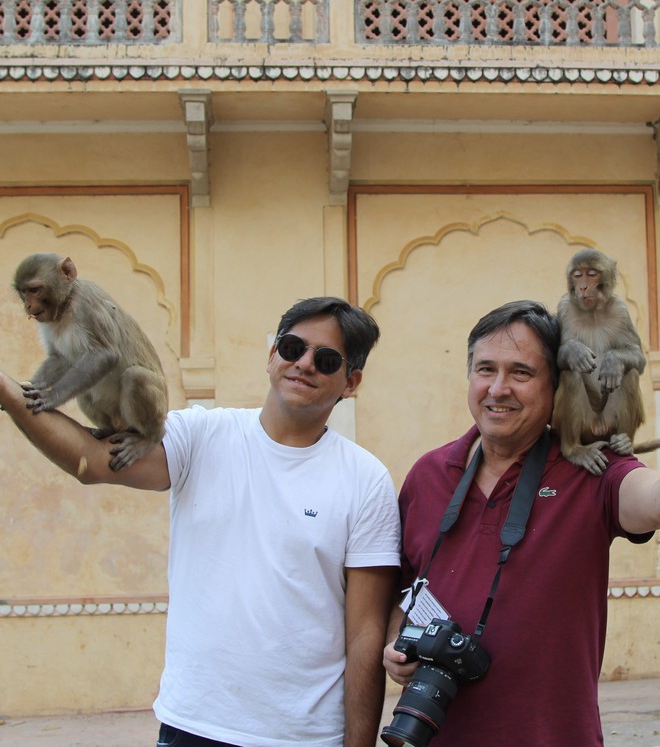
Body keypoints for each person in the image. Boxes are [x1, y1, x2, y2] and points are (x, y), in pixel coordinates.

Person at [0, 296, 401, 747]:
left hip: (305, 737)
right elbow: (91, 463)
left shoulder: (366, 480)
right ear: (272, 356)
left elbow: (365, 633)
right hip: (193, 725)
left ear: (352, 382)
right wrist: (11, 395)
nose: (304, 364)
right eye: (292, 348)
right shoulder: (201, 436)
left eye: (326, 360)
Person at [382, 300, 659, 747]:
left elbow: (647, 497)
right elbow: (404, 589)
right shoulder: (429, 474)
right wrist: (396, 644)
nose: (498, 388)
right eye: (485, 369)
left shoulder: (590, 469)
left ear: (557, 385)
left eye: (521, 373)